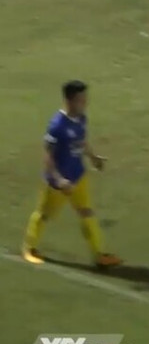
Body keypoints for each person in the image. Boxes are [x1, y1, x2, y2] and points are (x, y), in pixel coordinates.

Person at [22, 80, 122, 268]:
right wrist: (59, 179)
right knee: (44, 215)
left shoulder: (81, 118)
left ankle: (100, 255)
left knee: (86, 212)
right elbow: (47, 156)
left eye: (85, 98)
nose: (85, 102)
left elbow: (81, 141)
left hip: (78, 175)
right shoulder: (57, 126)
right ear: (69, 101)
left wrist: (93, 157)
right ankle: (29, 248)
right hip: (57, 183)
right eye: (81, 99)